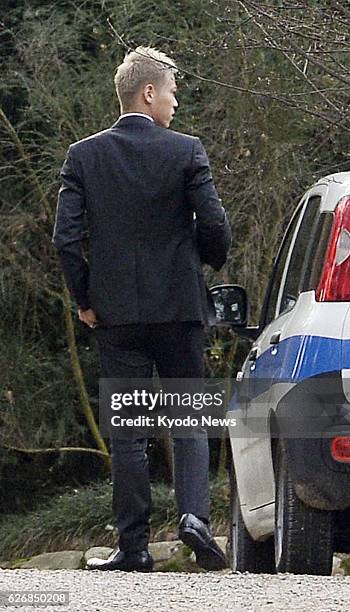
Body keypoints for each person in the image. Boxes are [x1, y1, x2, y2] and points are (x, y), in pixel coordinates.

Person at [52, 47, 231, 572]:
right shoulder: (187, 151)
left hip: (116, 316)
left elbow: (67, 239)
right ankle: (195, 519)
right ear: (148, 93)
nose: (176, 102)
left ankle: (133, 549)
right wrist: (203, 263)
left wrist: (85, 300)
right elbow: (215, 224)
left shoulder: (82, 156)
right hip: (179, 309)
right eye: (172, 92)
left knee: (128, 430)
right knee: (189, 418)